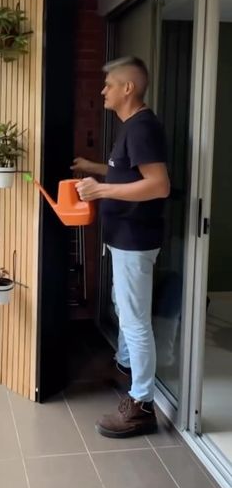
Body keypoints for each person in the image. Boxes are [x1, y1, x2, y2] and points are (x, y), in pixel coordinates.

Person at [74, 56, 170, 438]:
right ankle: (129, 366)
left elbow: (157, 184)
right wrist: (95, 168)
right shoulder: (130, 128)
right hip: (123, 238)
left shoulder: (143, 127)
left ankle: (142, 405)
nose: (103, 91)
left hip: (134, 240)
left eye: (109, 84)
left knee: (134, 320)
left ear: (128, 88)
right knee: (122, 306)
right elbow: (126, 170)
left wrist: (101, 189)